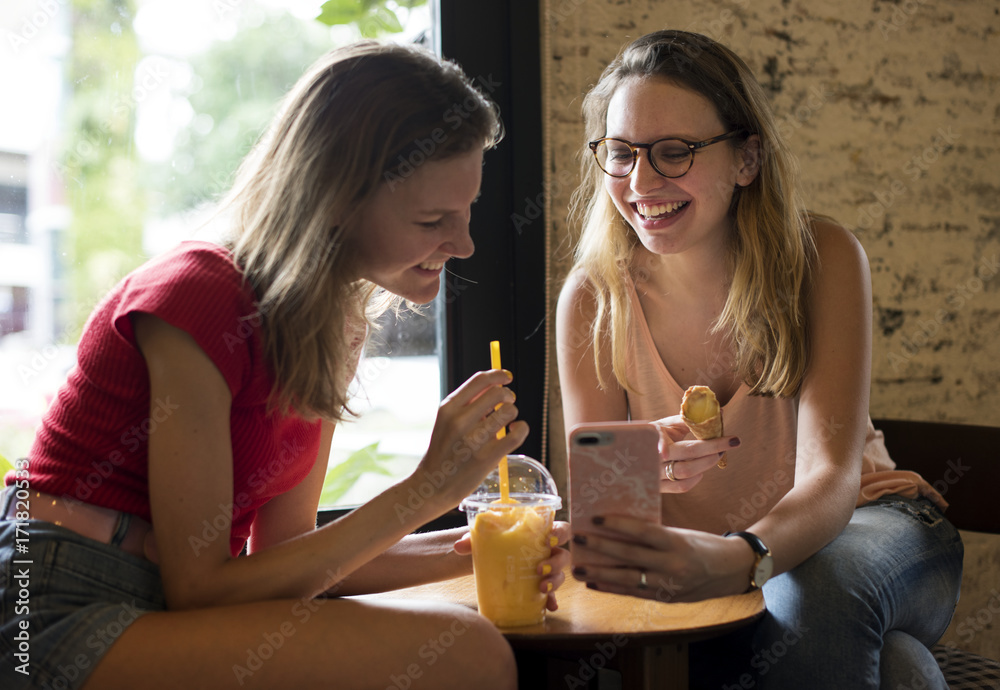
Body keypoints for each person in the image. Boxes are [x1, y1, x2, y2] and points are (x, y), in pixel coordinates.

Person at [1, 41, 570, 690]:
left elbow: (288, 560)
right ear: (335, 200)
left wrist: (477, 553)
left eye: (465, 214)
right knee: (467, 652)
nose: (463, 244)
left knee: (470, 639)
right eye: (432, 219)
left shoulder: (332, 326)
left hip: (151, 606)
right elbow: (202, 589)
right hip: (47, 608)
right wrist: (427, 489)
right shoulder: (200, 294)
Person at [556, 29, 962, 689]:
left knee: (811, 598)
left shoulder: (822, 258)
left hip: (864, 530)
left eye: (674, 152)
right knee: (896, 670)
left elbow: (829, 478)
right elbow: (606, 523)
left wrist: (741, 557)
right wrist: (635, 474)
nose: (641, 181)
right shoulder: (593, 298)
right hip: (710, 574)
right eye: (621, 153)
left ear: (747, 160)